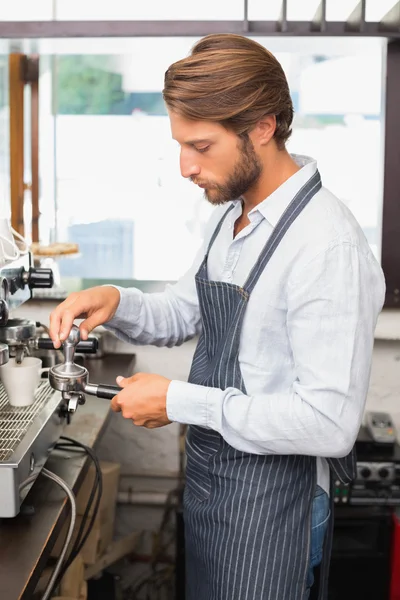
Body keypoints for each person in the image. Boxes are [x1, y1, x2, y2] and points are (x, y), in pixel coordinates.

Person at [49, 34, 386, 600]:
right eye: (180, 145)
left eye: (200, 146)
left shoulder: (326, 246)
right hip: (218, 486)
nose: (185, 166)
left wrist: (178, 401)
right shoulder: (237, 212)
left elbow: (328, 422)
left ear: (262, 126)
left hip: (274, 508)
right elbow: (185, 310)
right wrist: (116, 300)